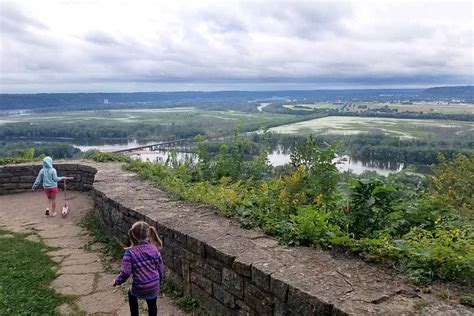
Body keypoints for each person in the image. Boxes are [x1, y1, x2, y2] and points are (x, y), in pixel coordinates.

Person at [113, 221, 165, 316]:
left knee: (131, 293)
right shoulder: (154, 249)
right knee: (152, 304)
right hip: (154, 284)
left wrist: (117, 281)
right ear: (148, 233)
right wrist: (158, 281)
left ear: (132, 233)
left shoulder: (130, 253)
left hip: (139, 286)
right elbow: (160, 268)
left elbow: (126, 273)